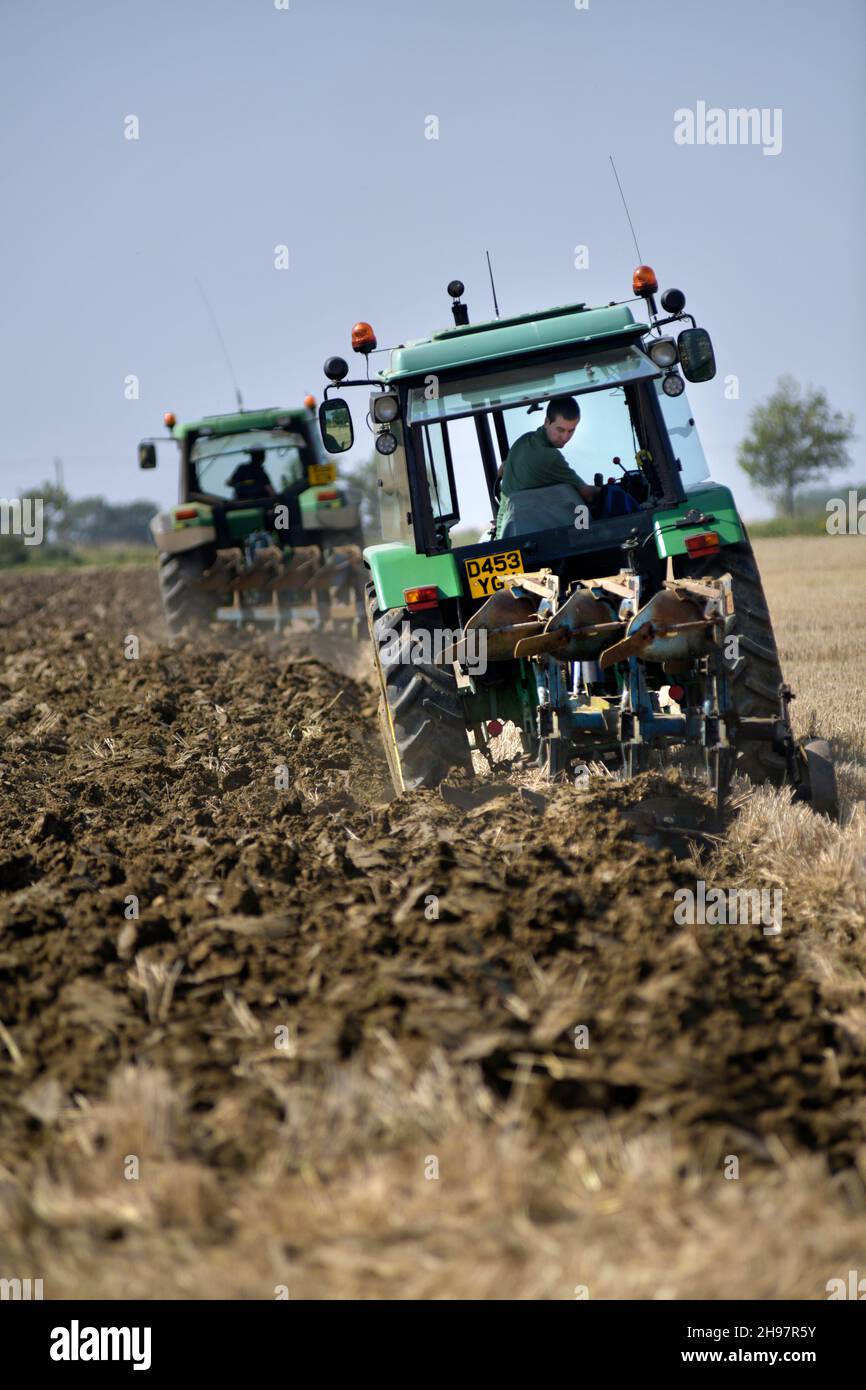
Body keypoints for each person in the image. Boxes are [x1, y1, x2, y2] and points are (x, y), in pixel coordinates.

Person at [494, 396, 599, 538]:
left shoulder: (523, 441)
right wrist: (611, 490)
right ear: (546, 422)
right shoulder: (549, 456)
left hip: (507, 535)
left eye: (571, 431)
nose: (565, 437)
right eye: (560, 430)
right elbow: (588, 493)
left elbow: (503, 469)